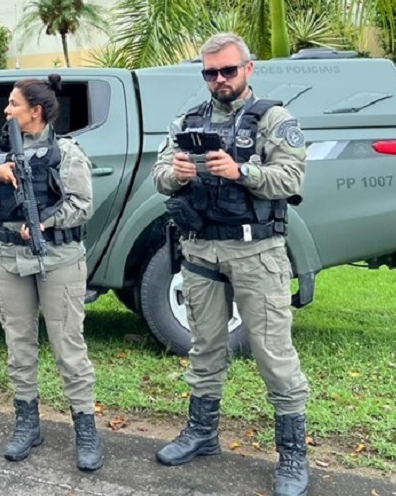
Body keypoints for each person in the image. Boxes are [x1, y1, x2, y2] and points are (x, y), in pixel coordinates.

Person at [151, 33, 311, 496]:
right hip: (201, 250)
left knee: (273, 353)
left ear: (248, 68)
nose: (219, 79)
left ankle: (293, 453)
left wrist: (241, 171)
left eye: (228, 70)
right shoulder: (188, 121)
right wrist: (176, 174)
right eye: (210, 72)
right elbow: (160, 173)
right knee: (204, 346)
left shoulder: (273, 119)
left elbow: (292, 178)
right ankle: (202, 433)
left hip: (257, 253)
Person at [0, 75, 102, 472]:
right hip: (10, 260)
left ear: (35, 111)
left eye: (14, 104)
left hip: (59, 259)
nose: (7, 110)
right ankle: (27, 424)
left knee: (68, 348)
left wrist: (46, 222)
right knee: (19, 347)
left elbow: (82, 205)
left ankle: (86, 428)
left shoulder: (66, 152)